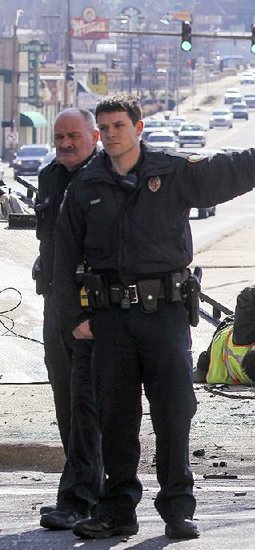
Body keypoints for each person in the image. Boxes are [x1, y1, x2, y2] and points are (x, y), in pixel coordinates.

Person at [52, 94, 255, 540]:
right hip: (108, 320)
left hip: (162, 315)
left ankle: (177, 508)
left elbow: (235, 169)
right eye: (103, 129)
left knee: (174, 412)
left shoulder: (171, 173)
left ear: (138, 128)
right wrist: (74, 319)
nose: (109, 136)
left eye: (118, 127)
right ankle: (117, 509)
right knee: (115, 417)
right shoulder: (85, 188)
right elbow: (62, 259)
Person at [34, 108, 103, 531]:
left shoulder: (104, 178)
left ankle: (79, 498)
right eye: (59, 137)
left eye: (73, 136)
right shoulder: (50, 176)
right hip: (56, 305)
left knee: (86, 403)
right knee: (66, 400)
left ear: (94, 136)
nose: (65, 144)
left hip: (92, 309)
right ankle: (85, 490)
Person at [195, 282, 255, 385]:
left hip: (220, 341)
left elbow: (247, 296)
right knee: (200, 370)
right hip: (217, 372)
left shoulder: (247, 334)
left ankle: (200, 370)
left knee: (200, 367)